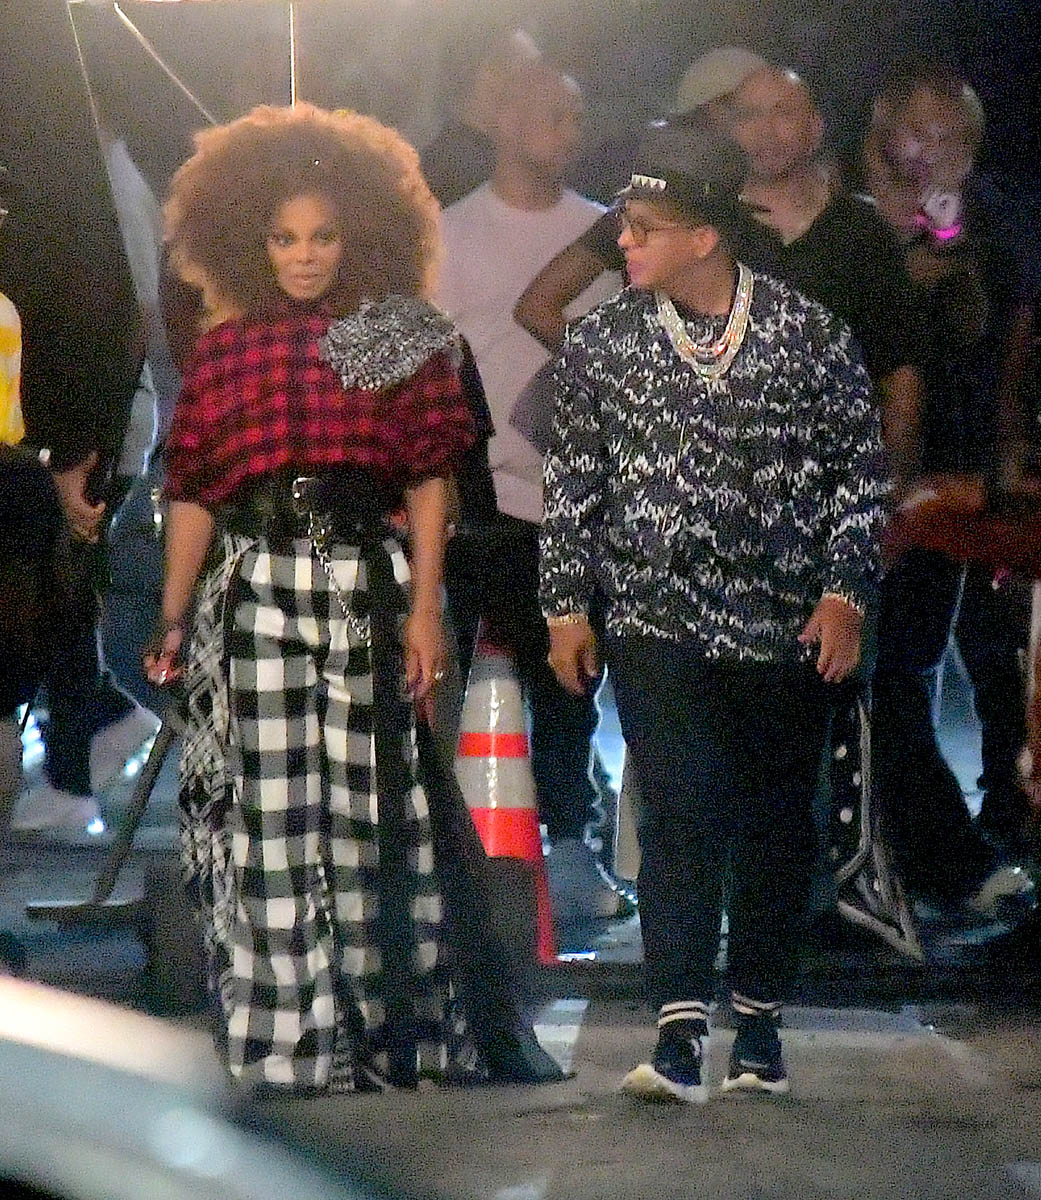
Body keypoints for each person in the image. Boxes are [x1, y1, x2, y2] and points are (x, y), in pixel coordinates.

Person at [146, 103, 562, 1092]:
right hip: (254, 583)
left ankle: (383, 1034)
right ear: (249, 241)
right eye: (284, 237)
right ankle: (288, 1042)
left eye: (324, 235)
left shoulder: (392, 334)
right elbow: (194, 487)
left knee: (374, 812)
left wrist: (423, 609)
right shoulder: (227, 349)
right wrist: (171, 612)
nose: (304, 255)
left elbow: (429, 476)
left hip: (363, 581)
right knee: (270, 818)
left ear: (361, 234)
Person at [540, 117, 887, 1102]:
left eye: (642, 228)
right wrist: (565, 608)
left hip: (782, 623)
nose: (622, 242)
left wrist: (844, 594)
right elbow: (572, 486)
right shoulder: (602, 343)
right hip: (655, 620)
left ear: (703, 237)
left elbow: (859, 475)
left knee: (775, 823)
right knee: (681, 813)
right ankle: (679, 1032)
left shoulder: (807, 333)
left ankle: (761, 1027)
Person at [436, 58, 624, 925]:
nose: (569, 130)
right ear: (502, 121)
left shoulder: (604, 234)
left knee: (572, 679)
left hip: (585, 496)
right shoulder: (447, 233)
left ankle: (571, 844)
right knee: (482, 677)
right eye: (551, 112)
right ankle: (472, 856)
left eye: (577, 114)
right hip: (483, 500)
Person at [863, 62, 1039, 895]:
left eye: (950, 135)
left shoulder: (994, 217)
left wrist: (1006, 455)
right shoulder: (856, 219)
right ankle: (920, 847)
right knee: (894, 661)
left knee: (993, 654)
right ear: (883, 134)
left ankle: (1003, 813)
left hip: (975, 470)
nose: (932, 150)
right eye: (917, 132)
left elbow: (1009, 333)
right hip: (894, 471)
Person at [513, 45, 765, 354]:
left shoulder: (786, 303)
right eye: (745, 112)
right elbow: (536, 309)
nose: (762, 128)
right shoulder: (645, 205)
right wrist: (607, 368)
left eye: (775, 112)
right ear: (709, 112)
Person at [420, 27, 541, 208]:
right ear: (492, 75)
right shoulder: (460, 169)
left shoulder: (447, 157)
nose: (539, 90)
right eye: (530, 74)